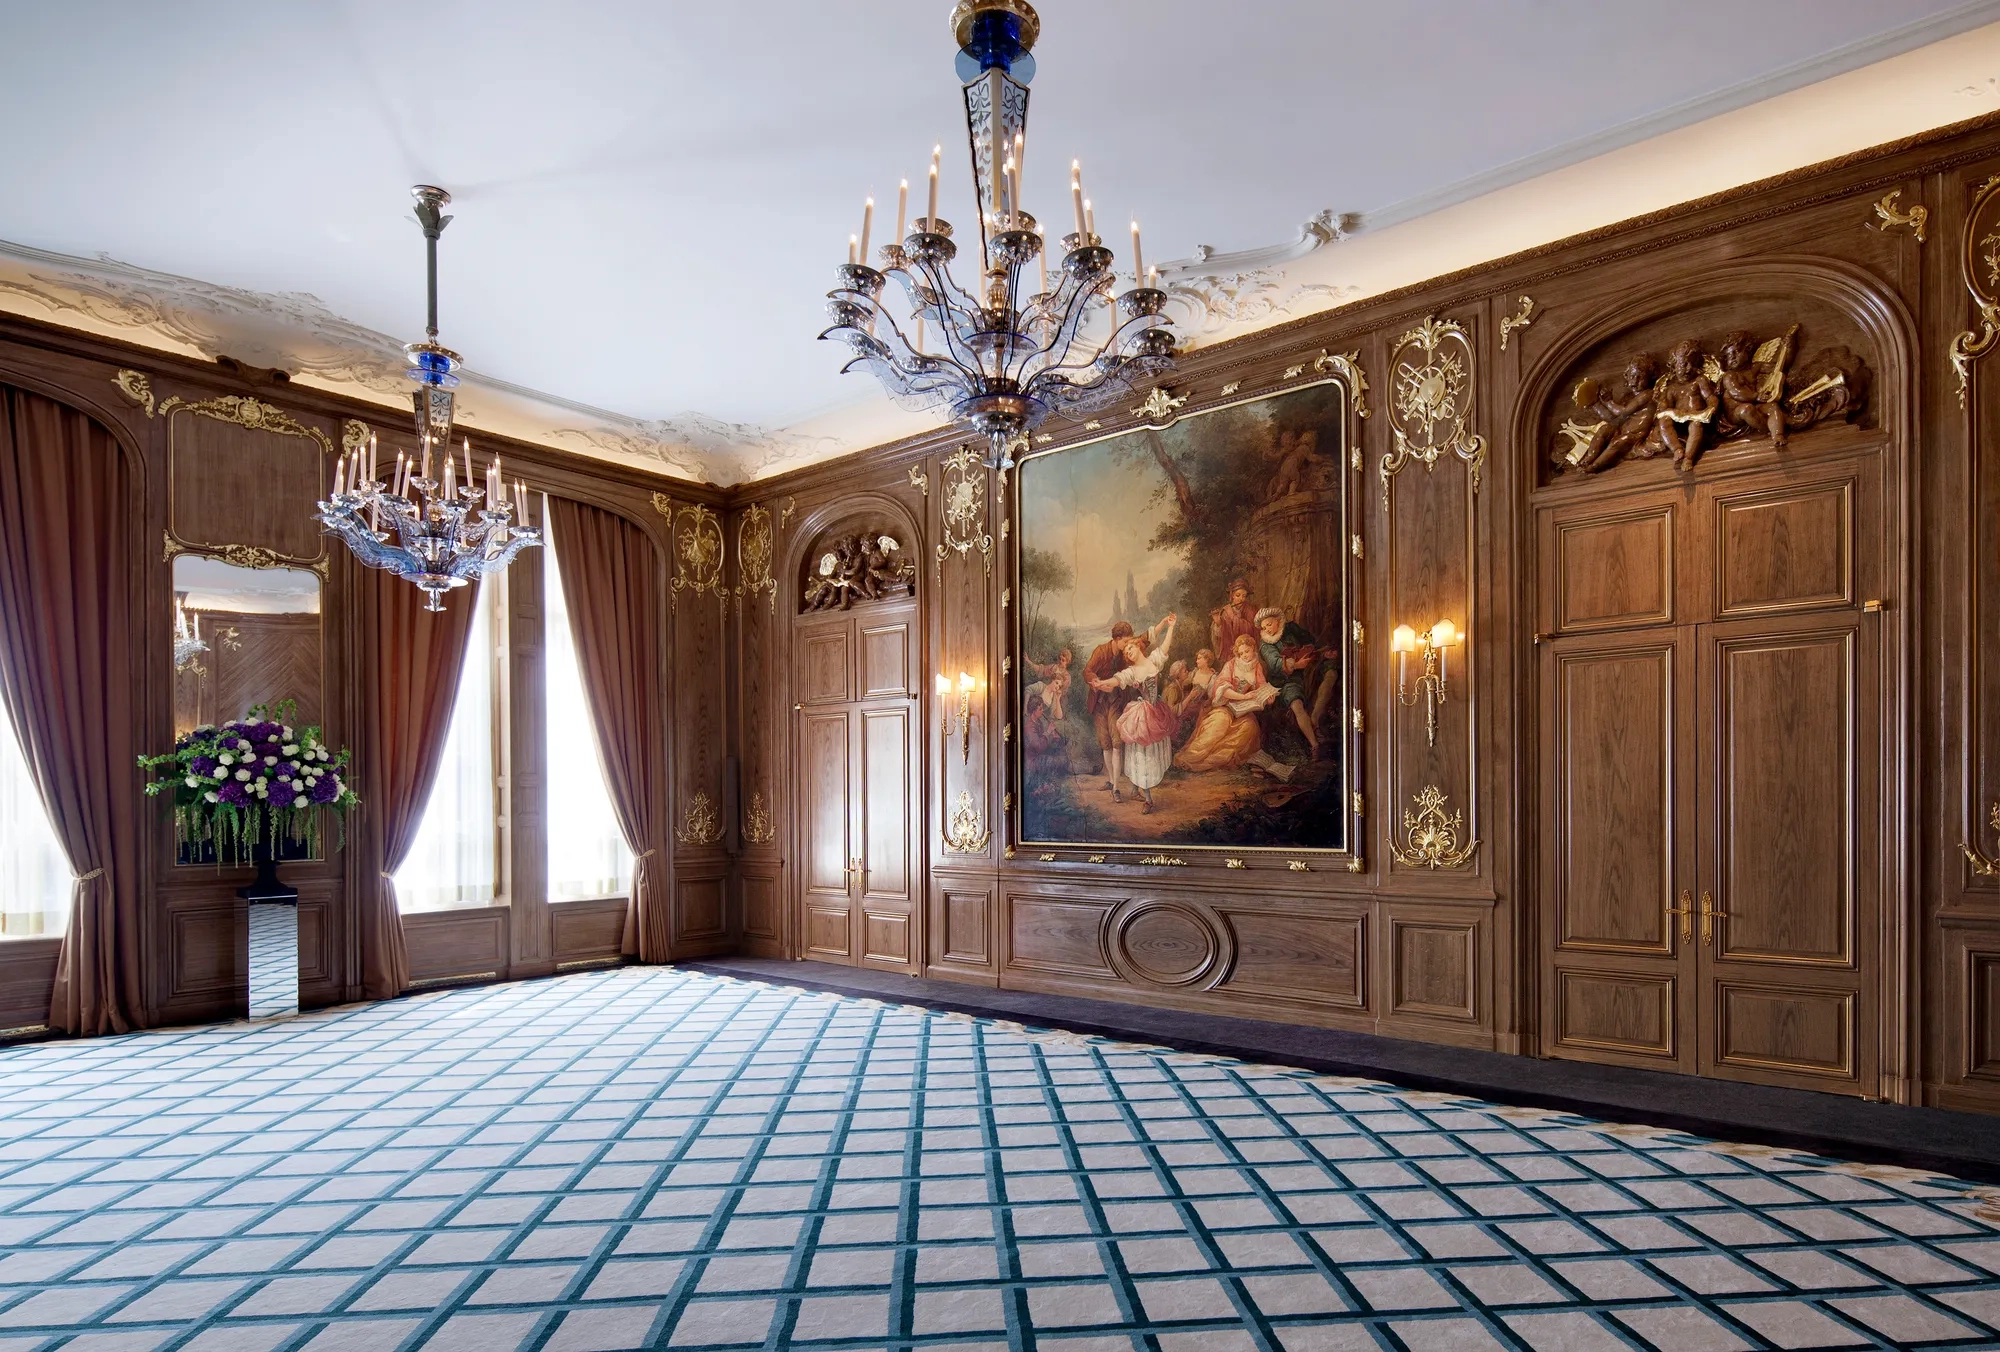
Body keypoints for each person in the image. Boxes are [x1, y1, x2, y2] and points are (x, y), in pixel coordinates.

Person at [1086, 614, 1179, 814]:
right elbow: (1116, 680)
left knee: (1151, 753)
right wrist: (1101, 683)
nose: (1128, 650)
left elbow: (1164, 646)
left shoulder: (1155, 660)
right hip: (1142, 716)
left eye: (1131, 646)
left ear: (1139, 646)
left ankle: (1136, 788)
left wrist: (1169, 626)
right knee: (1141, 755)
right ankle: (1147, 798)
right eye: (1126, 650)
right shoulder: (1131, 672)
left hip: (1157, 713)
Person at [1174, 633, 1282, 775]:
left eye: (1247, 651)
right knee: (1220, 722)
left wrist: (1268, 697)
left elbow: (1262, 686)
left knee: (1250, 728)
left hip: (1244, 711)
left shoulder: (1257, 666)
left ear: (1253, 649)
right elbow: (1222, 690)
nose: (1244, 655)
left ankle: (1213, 760)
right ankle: (1190, 757)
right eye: (1241, 652)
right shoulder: (1230, 665)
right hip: (1225, 706)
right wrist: (1243, 696)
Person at [1255, 606, 1337, 758]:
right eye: (1264, 626)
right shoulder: (1265, 644)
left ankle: (1315, 718)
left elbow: (1310, 641)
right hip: (1287, 679)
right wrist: (1297, 665)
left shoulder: (1290, 628)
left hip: (1309, 669)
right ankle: (1314, 745)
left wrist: (1320, 652)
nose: (1267, 629)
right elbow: (1274, 663)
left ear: (1278, 621)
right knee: (1296, 705)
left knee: (1331, 673)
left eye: (1270, 624)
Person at [1084, 621, 1135, 799]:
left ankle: (1116, 789)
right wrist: (1096, 682)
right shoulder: (1101, 651)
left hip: (1116, 701)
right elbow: (1087, 671)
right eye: (1126, 641)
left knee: (1117, 742)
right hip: (1099, 701)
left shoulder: (1125, 655)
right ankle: (1111, 780)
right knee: (1105, 742)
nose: (1128, 645)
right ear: (1117, 639)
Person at [1209, 579, 1258, 664]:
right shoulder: (1226, 611)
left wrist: (1236, 620)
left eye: (1244, 596)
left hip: (1248, 651)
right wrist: (1218, 623)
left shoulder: (1251, 610)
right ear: (1232, 596)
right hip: (1231, 652)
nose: (1241, 599)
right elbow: (1223, 636)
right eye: (1238, 595)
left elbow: (1254, 630)